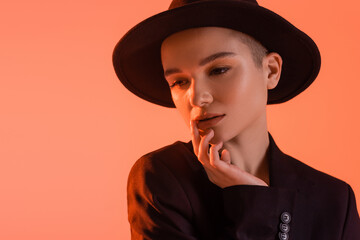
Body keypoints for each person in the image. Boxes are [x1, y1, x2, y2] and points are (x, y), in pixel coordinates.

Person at [112, 0, 360, 239]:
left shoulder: (333, 199)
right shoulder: (161, 179)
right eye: (179, 82)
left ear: (271, 70)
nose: (197, 97)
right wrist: (254, 202)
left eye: (218, 70)